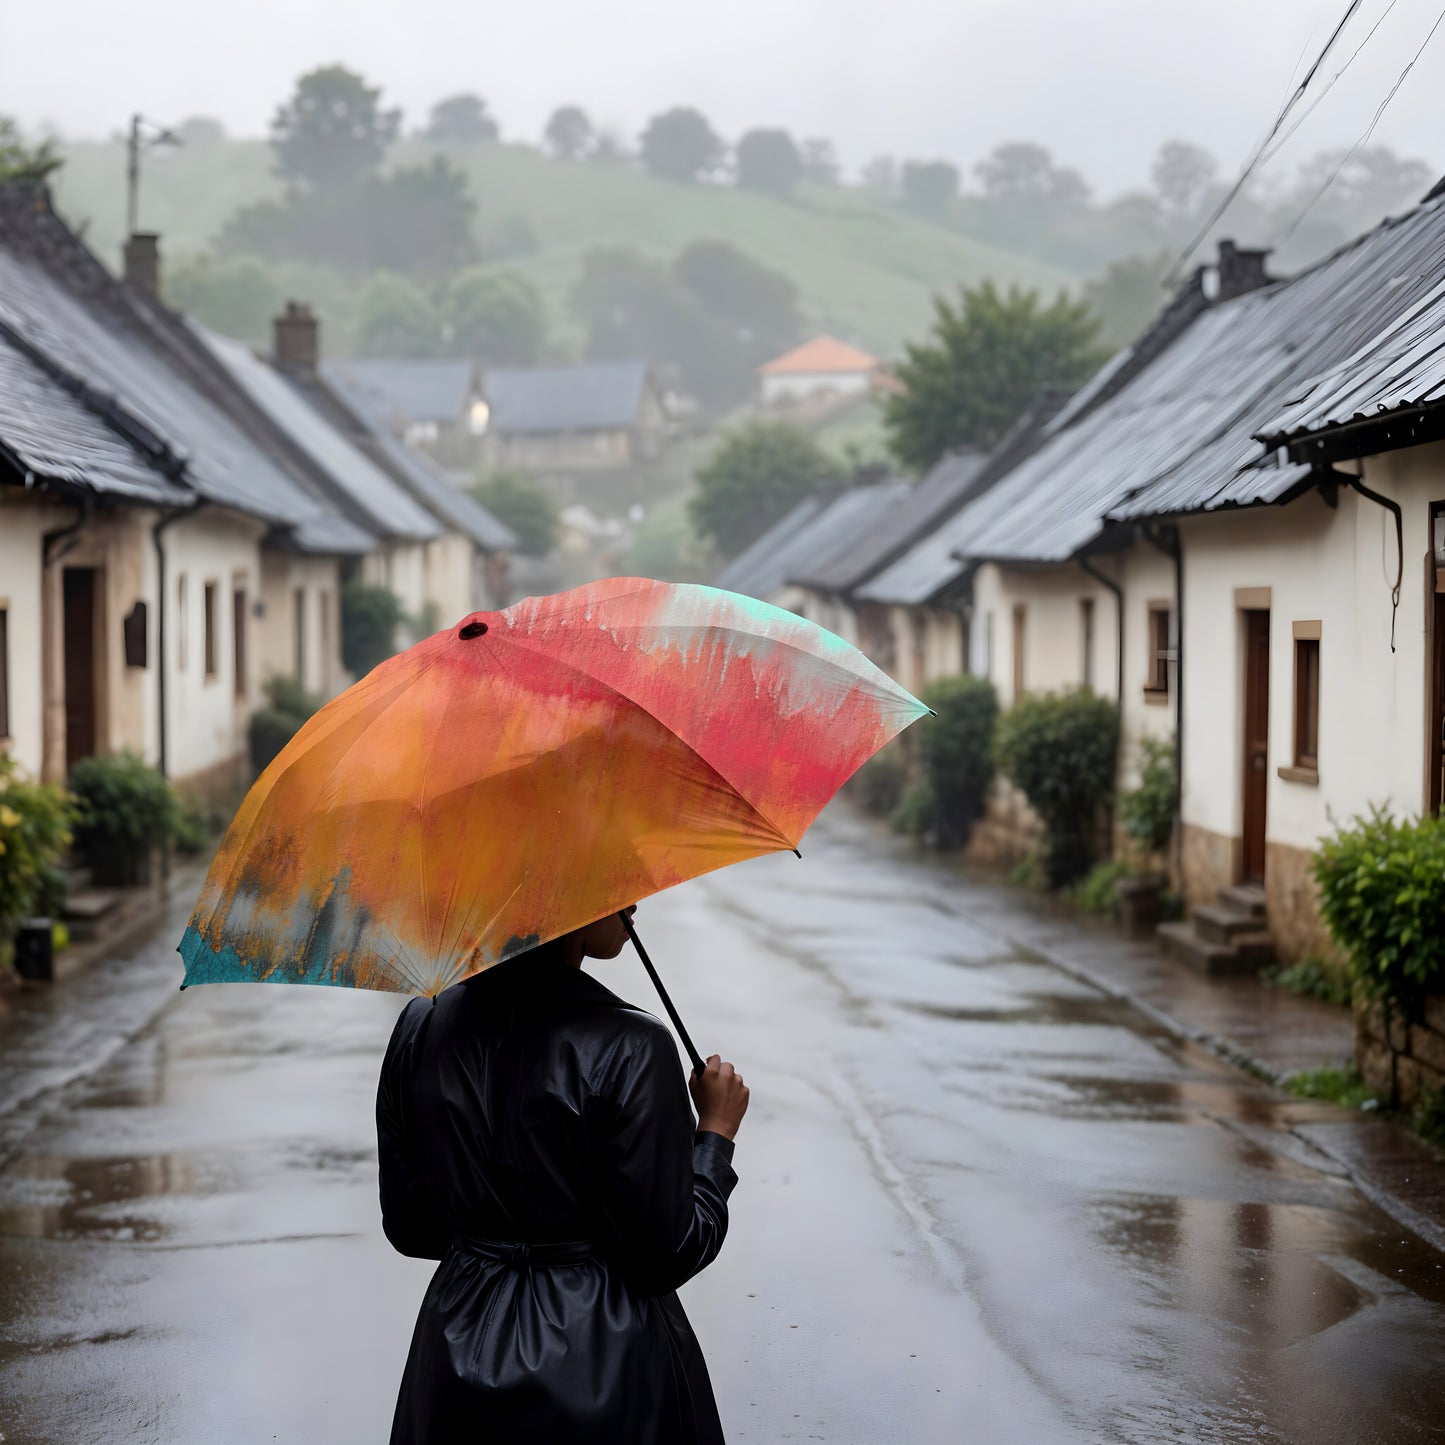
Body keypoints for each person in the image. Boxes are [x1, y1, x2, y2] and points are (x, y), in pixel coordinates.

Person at [377, 905, 749, 1444]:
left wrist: (493, 1230)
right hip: (605, 1364)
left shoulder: (421, 1025)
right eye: (616, 874)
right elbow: (664, 1255)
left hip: (454, 1355)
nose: (635, 897)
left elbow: (412, 1227)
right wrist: (714, 1136)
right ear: (559, 902)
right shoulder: (634, 1047)